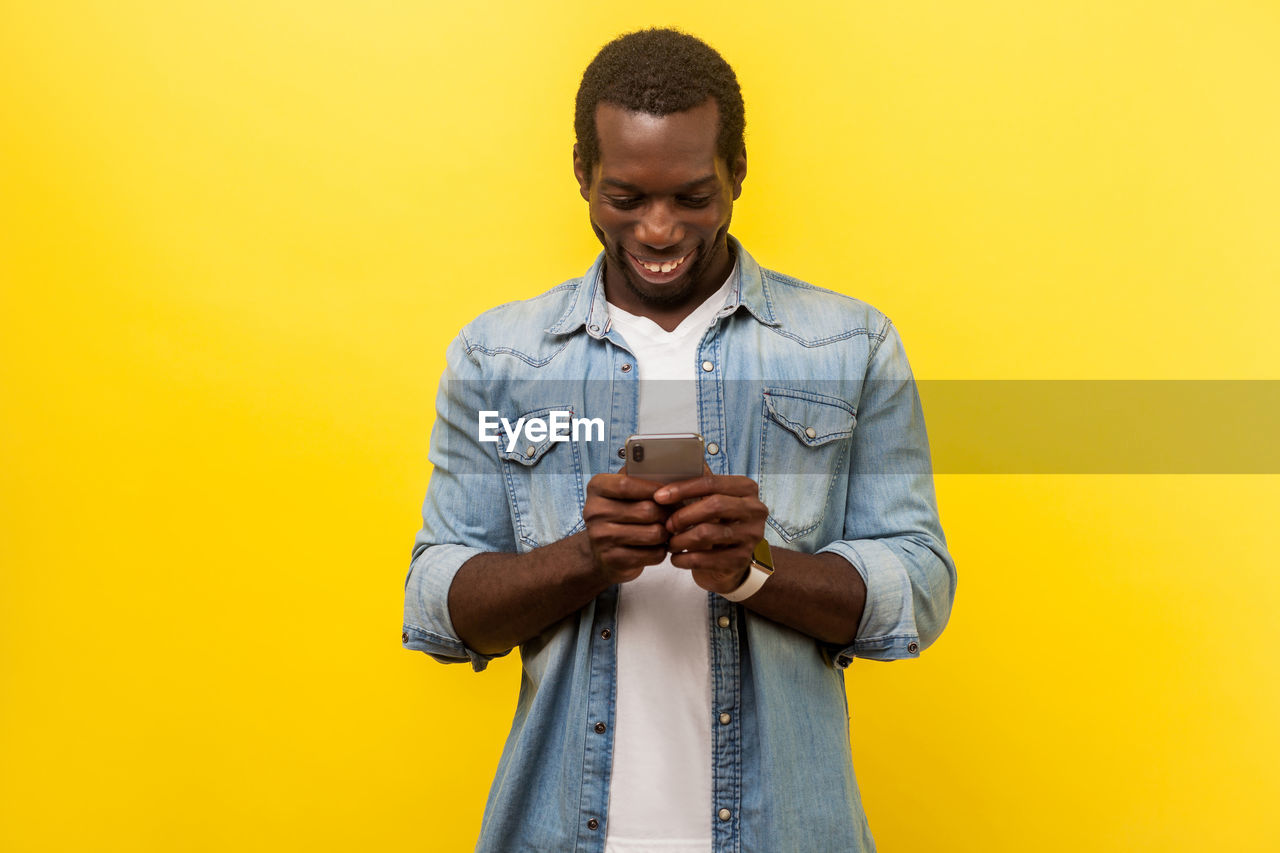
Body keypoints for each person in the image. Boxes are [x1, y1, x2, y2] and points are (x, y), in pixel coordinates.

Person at [403, 27, 956, 853]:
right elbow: (437, 604)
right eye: (626, 198)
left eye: (692, 197)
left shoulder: (850, 345)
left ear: (736, 170)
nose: (659, 231)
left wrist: (752, 569)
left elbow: (920, 586)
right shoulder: (499, 359)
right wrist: (585, 556)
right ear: (583, 176)